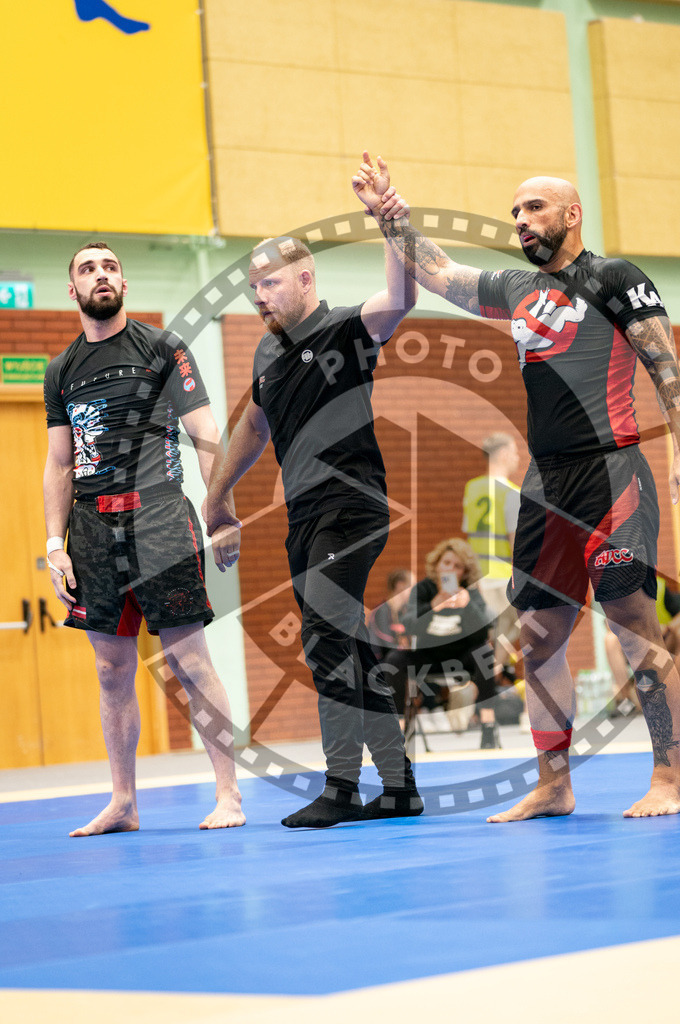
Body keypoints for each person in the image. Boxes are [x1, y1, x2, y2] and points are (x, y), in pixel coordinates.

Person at [352, 157, 680, 820]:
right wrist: (390, 218)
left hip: (611, 471)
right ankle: (553, 784)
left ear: (571, 215)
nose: (520, 221)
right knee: (539, 635)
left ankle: (666, 779)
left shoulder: (614, 277)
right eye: (515, 211)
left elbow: (663, 362)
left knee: (631, 624)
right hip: (546, 485)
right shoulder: (515, 287)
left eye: (534, 208)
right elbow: (437, 273)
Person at [204, 158, 422, 828]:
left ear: (304, 278)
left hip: (352, 507)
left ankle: (340, 786)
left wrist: (392, 224)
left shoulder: (346, 329)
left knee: (326, 640)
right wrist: (215, 505)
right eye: (250, 288)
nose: (258, 296)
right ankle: (397, 785)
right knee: (345, 644)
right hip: (302, 517)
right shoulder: (267, 356)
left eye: (268, 283)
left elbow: (401, 298)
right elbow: (249, 430)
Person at [43, 241, 245, 837]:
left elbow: (207, 432)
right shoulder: (61, 370)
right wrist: (55, 543)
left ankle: (229, 794)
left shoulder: (163, 348)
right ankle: (124, 802)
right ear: (73, 290)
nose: (100, 275)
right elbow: (59, 464)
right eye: (87, 268)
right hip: (92, 526)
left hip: (159, 516)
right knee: (110, 670)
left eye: (109, 267)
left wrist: (223, 511)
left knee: (188, 659)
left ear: (124, 282)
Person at [400, 538, 499, 748]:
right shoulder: (423, 589)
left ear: (464, 572)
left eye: (457, 566)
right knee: (395, 658)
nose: (450, 570)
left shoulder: (470, 593)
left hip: (461, 657)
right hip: (429, 656)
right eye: (446, 563)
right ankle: (399, 727)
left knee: (485, 654)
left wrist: (468, 605)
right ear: (436, 565)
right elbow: (408, 625)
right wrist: (434, 605)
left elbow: (483, 633)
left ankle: (488, 725)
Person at [462, 432, 521, 677]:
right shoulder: (511, 491)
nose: (518, 458)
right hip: (502, 573)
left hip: (479, 574)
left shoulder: (472, 488)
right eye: (515, 452)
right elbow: (514, 539)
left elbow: (468, 534)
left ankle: (495, 671)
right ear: (504, 454)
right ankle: (495, 673)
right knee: (522, 624)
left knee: (496, 629)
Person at [605, 579, 680, 715]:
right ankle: (625, 702)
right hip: (634, 646)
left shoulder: (660, 586)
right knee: (610, 640)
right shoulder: (620, 589)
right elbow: (609, 622)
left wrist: (666, 628)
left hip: (662, 642)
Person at [367, 568, 415, 661]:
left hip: (395, 659)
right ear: (400, 585)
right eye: (413, 586)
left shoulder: (403, 610)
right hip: (380, 662)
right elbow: (385, 643)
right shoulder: (381, 611)